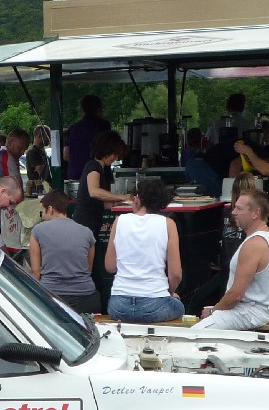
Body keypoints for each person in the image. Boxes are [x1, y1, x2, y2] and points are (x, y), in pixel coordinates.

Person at [197, 189, 269, 331]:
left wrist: (213, 311)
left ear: (256, 213)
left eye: (239, 208)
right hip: (261, 309)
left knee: (193, 336)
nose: (233, 212)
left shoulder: (254, 243)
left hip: (251, 311)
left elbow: (236, 295)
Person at [104, 177, 183, 323]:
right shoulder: (168, 224)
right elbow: (175, 275)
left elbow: (110, 266)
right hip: (155, 304)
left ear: (137, 199)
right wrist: (170, 293)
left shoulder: (119, 221)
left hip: (119, 306)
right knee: (178, 305)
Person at [29, 189, 98, 315]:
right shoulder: (87, 232)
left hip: (52, 295)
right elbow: (88, 269)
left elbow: (36, 272)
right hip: (85, 297)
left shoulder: (38, 231)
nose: (42, 217)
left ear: (50, 209)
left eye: (42, 212)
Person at [72, 130, 130, 237]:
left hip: (91, 223)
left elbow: (99, 202)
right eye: (114, 154)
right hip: (85, 224)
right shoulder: (94, 166)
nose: (115, 158)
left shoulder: (100, 169)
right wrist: (122, 197)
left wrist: (120, 203)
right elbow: (94, 192)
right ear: (105, 150)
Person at [64, 95, 111, 184]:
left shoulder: (73, 128)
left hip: (75, 175)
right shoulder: (104, 126)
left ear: (82, 109)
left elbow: (66, 156)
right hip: (99, 175)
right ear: (99, 109)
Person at [25, 125, 52, 196]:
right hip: (37, 191)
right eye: (48, 136)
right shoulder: (33, 152)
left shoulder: (42, 151)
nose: (50, 139)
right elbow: (42, 172)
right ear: (40, 135)